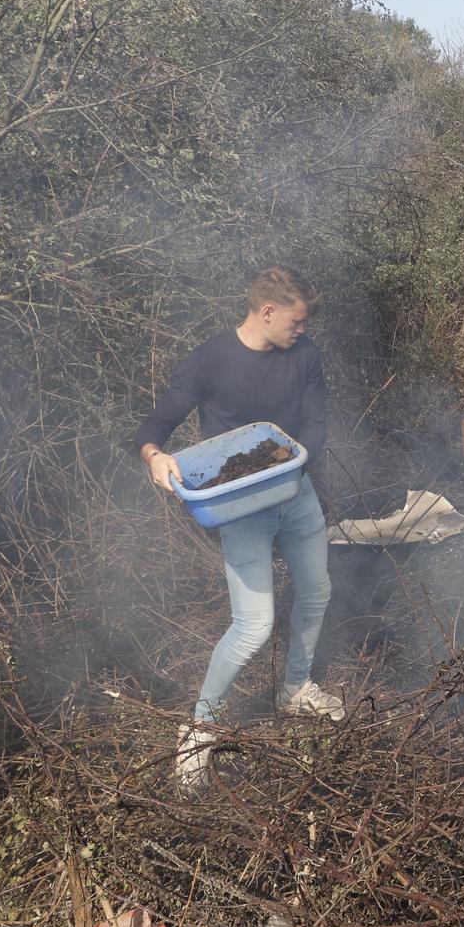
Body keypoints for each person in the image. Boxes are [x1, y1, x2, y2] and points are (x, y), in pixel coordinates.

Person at [133, 266, 341, 786]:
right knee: (253, 627)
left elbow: (316, 420)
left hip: (295, 488)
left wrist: (298, 459)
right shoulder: (211, 360)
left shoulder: (305, 354)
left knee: (316, 590)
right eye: (296, 320)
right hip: (240, 504)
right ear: (267, 312)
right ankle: (199, 730)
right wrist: (156, 457)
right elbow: (155, 425)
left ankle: (295, 689)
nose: (302, 329)